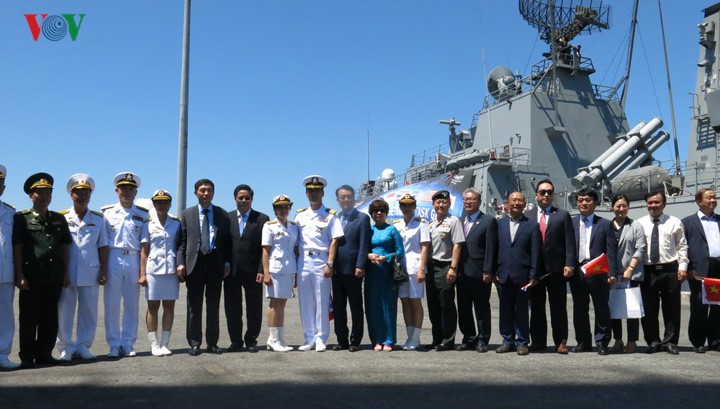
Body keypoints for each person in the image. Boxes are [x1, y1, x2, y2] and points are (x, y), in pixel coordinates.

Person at [13, 173, 71, 367]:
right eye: (40, 193)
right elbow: (18, 248)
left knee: (50, 317)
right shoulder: (22, 219)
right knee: (29, 318)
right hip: (32, 275)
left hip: (53, 274)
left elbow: (64, 247)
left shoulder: (58, 219)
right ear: (31, 196)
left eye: (48, 193)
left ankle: (44, 353)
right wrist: (19, 275)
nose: (45, 197)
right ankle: (27, 356)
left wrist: (66, 272)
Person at [56, 174, 109, 361]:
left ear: (91, 195)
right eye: (78, 192)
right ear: (71, 195)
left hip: (91, 270)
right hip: (68, 272)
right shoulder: (61, 217)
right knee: (65, 311)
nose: (83, 196)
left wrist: (103, 270)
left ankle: (84, 346)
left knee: (89, 311)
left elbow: (103, 246)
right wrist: (61, 272)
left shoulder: (99, 219)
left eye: (86, 192)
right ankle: (65, 348)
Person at [178, 179, 231, 356]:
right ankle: (194, 342)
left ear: (214, 193)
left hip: (215, 263)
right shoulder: (187, 214)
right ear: (196, 193)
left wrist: (227, 263)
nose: (206, 193)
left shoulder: (222, 214)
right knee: (194, 306)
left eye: (209, 190)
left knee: (213, 305)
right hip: (195, 263)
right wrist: (180, 263)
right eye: (202, 190)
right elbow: (182, 242)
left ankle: (213, 343)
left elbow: (226, 242)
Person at [525, 179, 576, 354]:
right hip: (536, 271)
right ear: (536, 195)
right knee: (537, 308)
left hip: (557, 269)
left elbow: (570, 242)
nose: (546, 195)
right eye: (542, 192)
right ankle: (538, 341)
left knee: (558, 307)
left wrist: (570, 263)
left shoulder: (562, 215)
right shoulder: (529, 216)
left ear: (553, 195)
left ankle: (560, 341)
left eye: (549, 192)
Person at [102, 172, 150, 358]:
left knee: (132, 304)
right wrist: (103, 268)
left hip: (133, 259)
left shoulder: (142, 215)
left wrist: (142, 271)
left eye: (131, 188)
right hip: (113, 256)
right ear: (116, 190)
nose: (127, 191)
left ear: (136, 192)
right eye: (123, 188)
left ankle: (128, 343)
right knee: (111, 304)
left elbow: (145, 246)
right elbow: (104, 244)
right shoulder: (106, 213)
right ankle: (113, 344)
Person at [294, 175, 343, 352]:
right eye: (310, 191)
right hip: (303, 261)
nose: (313, 194)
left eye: (317, 191)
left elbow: (334, 241)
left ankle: (321, 338)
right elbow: (295, 242)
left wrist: (329, 263)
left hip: (321, 260)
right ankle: (309, 337)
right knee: (305, 301)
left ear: (323, 193)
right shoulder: (300, 216)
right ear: (306, 194)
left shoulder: (330, 215)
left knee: (322, 300)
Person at [638, 191, 688, 355]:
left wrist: (682, 268)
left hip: (670, 269)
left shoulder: (674, 222)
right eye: (650, 202)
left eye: (657, 202)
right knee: (649, 308)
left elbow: (682, 246)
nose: (653, 206)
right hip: (648, 271)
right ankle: (653, 341)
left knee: (672, 307)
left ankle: (670, 342)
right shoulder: (640, 224)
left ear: (664, 204)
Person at [569, 188, 617, 356]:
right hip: (578, 273)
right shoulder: (571, 223)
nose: (584, 203)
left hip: (598, 272)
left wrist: (612, 273)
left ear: (595, 203)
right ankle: (583, 342)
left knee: (601, 308)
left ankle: (602, 342)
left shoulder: (605, 224)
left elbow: (611, 251)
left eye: (588, 200)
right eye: (581, 200)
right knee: (579, 308)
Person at [225, 184, 269, 353]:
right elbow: (225, 245)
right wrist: (226, 264)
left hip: (254, 272)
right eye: (240, 198)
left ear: (252, 199)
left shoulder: (262, 219)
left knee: (254, 308)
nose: (243, 201)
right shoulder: (227, 218)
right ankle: (235, 341)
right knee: (232, 308)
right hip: (232, 272)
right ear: (235, 199)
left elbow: (264, 248)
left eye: (247, 198)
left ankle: (251, 339)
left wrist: (261, 269)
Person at [495, 192, 540, 355]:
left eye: (520, 200)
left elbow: (535, 251)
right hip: (503, 274)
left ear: (524, 204)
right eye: (513, 200)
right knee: (505, 310)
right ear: (507, 203)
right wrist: (494, 271)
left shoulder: (532, 225)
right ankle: (507, 340)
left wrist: (534, 274)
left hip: (523, 275)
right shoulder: (499, 224)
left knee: (522, 310)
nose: (516, 203)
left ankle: (522, 342)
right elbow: (494, 248)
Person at [139, 189, 181, 357]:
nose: (162, 205)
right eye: (158, 202)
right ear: (154, 204)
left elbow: (179, 247)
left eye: (165, 202)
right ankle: (154, 343)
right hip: (153, 271)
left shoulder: (177, 223)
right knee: (153, 306)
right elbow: (144, 251)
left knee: (169, 306)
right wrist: (142, 273)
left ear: (170, 204)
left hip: (171, 270)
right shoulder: (147, 224)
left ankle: (165, 343)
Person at [456, 187, 497, 353]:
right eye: (466, 199)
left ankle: (482, 339)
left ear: (479, 202)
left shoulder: (488, 221)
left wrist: (488, 270)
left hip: (479, 272)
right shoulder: (459, 221)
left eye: (472, 199)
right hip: (462, 272)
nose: (468, 202)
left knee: (481, 307)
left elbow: (491, 248)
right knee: (464, 307)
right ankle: (469, 338)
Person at [332, 185, 371, 352]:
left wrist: (360, 265)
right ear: (337, 200)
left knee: (355, 306)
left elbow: (364, 244)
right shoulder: (334, 218)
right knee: (338, 306)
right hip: (336, 269)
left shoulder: (362, 218)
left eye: (348, 196)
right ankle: (342, 340)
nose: (346, 200)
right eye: (342, 197)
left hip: (353, 269)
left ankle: (355, 340)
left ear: (354, 198)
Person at [426, 190, 464, 351]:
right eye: (438, 202)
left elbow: (458, 245)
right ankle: (437, 338)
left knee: (446, 305)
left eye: (444, 202)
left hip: (445, 266)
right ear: (433, 204)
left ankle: (448, 340)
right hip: (431, 267)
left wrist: (453, 268)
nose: (441, 205)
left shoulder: (454, 221)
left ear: (449, 204)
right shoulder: (430, 223)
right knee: (433, 305)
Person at [681, 189, 718, 353]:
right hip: (699, 270)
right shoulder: (688, 222)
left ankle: (716, 341)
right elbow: (683, 247)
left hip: (718, 268)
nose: (713, 200)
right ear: (699, 201)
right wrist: (687, 268)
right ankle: (698, 341)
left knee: (718, 307)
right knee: (699, 306)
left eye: (714, 197)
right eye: (709, 197)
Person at [261, 195, 300, 352]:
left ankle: (280, 337)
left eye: (286, 207)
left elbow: (296, 249)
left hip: (289, 268)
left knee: (282, 303)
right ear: (274, 210)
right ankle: (272, 338)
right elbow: (265, 251)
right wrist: (266, 273)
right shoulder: (269, 226)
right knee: (275, 303)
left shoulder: (294, 226)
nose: (283, 210)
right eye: (279, 208)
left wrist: (296, 272)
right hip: (275, 269)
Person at [365, 199, 404, 352]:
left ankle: (389, 339)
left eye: (382, 210)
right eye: (375, 211)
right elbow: (363, 249)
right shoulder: (369, 230)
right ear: (372, 214)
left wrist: (386, 257)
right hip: (372, 274)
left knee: (388, 307)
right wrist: (369, 256)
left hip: (387, 273)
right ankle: (376, 339)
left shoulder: (392, 230)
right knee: (373, 307)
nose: (379, 213)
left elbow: (400, 252)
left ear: (386, 213)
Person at [609, 194, 646, 354]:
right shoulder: (607, 226)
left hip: (631, 273)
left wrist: (630, 268)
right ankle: (617, 339)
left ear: (628, 207)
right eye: (618, 206)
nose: (621, 209)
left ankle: (632, 341)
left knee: (632, 310)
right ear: (612, 207)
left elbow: (641, 248)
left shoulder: (636, 226)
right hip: (612, 274)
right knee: (614, 309)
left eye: (624, 206)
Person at [395, 194, 430, 351]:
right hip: (401, 269)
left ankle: (415, 338)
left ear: (414, 207)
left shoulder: (421, 224)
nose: (406, 207)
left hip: (416, 268)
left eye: (409, 205)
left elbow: (425, 247)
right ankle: (409, 336)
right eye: (403, 205)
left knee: (415, 303)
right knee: (405, 302)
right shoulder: (397, 225)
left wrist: (422, 269)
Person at [0, 165, 20, 369]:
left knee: (6, 314)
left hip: (5, 270)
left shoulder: (10, 212)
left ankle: (3, 354)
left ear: (3, 188)